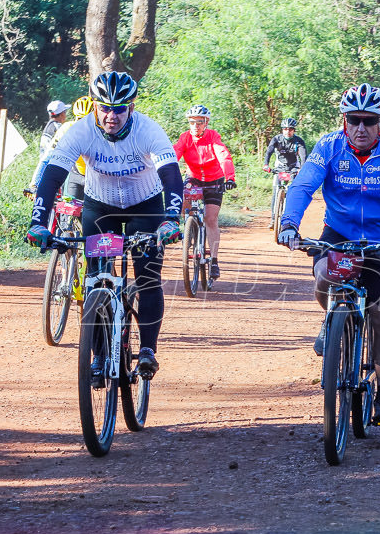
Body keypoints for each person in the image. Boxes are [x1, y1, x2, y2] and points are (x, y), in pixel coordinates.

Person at [277, 83, 380, 426]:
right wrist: (289, 224)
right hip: (340, 233)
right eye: (354, 120)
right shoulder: (328, 146)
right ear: (344, 120)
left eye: (369, 121)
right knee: (323, 275)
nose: (361, 128)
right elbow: (303, 186)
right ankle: (331, 321)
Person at [25, 71, 183, 383]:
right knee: (95, 279)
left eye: (119, 109)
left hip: (146, 207)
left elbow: (171, 176)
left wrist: (171, 219)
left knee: (148, 276)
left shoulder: (148, 130)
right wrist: (38, 223)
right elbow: (52, 177)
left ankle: (148, 350)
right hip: (101, 209)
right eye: (105, 108)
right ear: (95, 107)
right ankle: (98, 356)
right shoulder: (81, 131)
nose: (111, 115)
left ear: (131, 109)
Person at [173, 104, 237, 280]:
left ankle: (214, 261)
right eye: (192, 122)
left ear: (206, 122)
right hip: (193, 178)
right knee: (181, 199)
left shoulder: (213, 137)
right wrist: (165, 173)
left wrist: (230, 178)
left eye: (200, 122)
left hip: (214, 180)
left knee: (210, 218)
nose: (196, 126)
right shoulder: (185, 138)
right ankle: (187, 228)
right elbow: (174, 154)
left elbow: (223, 155)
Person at [26, 95, 94, 201]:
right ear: (75, 117)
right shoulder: (66, 128)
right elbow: (47, 157)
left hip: (96, 180)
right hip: (75, 174)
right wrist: (35, 184)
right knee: (67, 212)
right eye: (79, 119)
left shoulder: (103, 132)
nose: (82, 124)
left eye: (87, 120)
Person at [263, 117, 308, 229]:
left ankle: (290, 219)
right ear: (282, 130)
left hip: (293, 167)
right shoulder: (277, 139)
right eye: (285, 129)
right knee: (275, 191)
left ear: (294, 130)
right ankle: (273, 219)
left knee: (293, 191)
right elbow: (269, 151)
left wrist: (301, 168)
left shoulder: (298, 141)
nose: (288, 131)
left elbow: (303, 156)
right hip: (279, 167)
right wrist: (266, 164)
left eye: (290, 129)